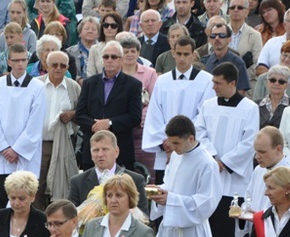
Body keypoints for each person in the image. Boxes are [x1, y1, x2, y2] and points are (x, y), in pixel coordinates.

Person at [195, 62, 259, 237]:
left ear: (232, 83)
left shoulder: (249, 108)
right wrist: (212, 157)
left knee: (230, 218)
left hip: (235, 176)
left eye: (218, 83)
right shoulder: (208, 105)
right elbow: (200, 132)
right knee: (212, 217)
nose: (214, 86)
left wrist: (226, 162)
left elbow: (250, 141)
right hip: (212, 168)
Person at [142, 35, 214, 185]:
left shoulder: (206, 80)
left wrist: (179, 142)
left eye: (186, 54)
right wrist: (167, 144)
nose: (182, 59)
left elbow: (203, 115)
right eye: (179, 54)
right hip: (165, 149)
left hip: (191, 147)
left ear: (193, 55)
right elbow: (155, 114)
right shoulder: (162, 81)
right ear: (173, 53)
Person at [0, 42, 46, 209]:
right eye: (16, 60)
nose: (20, 64)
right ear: (9, 61)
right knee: (2, 198)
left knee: (25, 200)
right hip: (2, 154)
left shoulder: (38, 87)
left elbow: (35, 123)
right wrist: (4, 147)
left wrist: (17, 149)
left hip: (25, 155)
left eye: (24, 60)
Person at [76, 40, 142, 172]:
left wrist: (110, 123)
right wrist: (96, 126)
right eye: (106, 57)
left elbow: (135, 117)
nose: (109, 60)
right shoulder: (90, 83)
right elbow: (79, 114)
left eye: (114, 57)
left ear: (121, 59)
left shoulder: (133, 85)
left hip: (121, 150)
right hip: (92, 151)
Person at [36, 50, 80, 207]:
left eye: (63, 65)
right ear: (46, 66)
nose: (58, 68)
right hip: (39, 145)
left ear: (67, 67)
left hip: (63, 144)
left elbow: (81, 112)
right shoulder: (36, 84)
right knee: (37, 186)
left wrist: (73, 114)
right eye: (54, 65)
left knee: (61, 185)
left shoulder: (73, 87)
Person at [69, 130, 148, 212]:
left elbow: (144, 217)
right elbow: (70, 217)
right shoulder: (77, 182)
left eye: (105, 149)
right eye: (96, 150)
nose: (100, 154)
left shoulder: (136, 180)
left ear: (116, 152)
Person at [119, 35, 156, 171]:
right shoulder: (114, 73)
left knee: (146, 169)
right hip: (121, 127)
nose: (129, 55)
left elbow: (154, 102)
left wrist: (140, 117)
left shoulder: (150, 73)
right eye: (126, 51)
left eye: (133, 51)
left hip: (143, 128)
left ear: (138, 53)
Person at [201, 22, 251, 94]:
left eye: (222, 35)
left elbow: (241, 91)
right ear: (210, 40)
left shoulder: (238, 62)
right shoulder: (204, 61)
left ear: (229, 39)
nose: (217, 38)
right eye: (213, 35)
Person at [255, 65, 290, 129]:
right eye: (273, 80)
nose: (276, 83)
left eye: (281, 82)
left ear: (287, 85)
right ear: (267, 82)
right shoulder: (255, 105)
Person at [68, 16, 99, 82]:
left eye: (93, 29)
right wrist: (78, 79)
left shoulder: (104, 51)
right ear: (80, 32)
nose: (90, 31)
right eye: (87, 29)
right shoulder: (69, 52)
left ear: (98, 34)